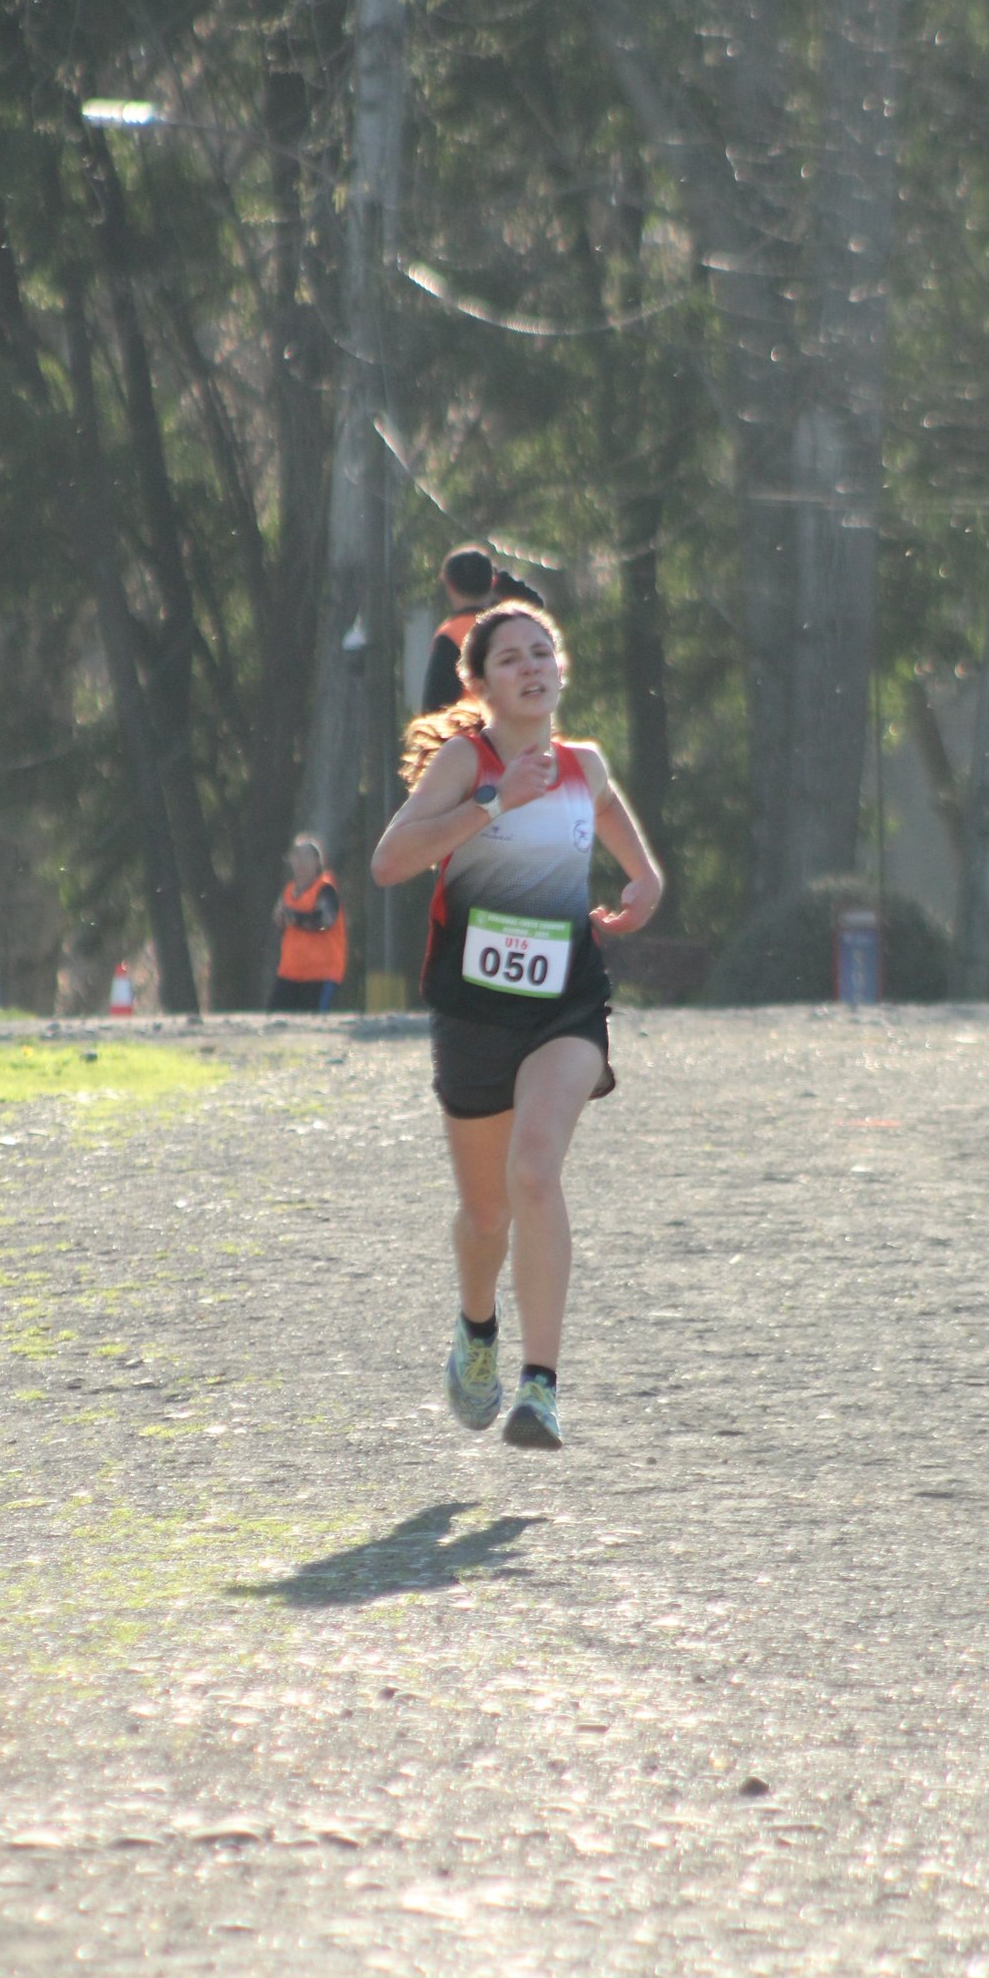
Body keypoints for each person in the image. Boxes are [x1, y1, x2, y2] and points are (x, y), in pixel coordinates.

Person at [371, 603, 663, 1449]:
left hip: (567, 1006)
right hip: (473, 1015)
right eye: (511, 659)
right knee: (486, 1215)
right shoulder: (471, 762)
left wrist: (642, 881)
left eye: (544, 653)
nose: (532, 668)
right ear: (479, 682)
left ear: (561, 669)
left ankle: (540, 1388)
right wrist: (492, 804)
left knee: (536, 1172)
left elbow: (610, 818)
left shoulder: (586, 764)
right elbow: (392, 861)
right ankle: (476, 1331)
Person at [420, 545, 546, 718]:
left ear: (449, 585)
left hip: (473, 734)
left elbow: (435, 707)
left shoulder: (450, 634)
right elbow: (535, 603)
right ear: (493, 582)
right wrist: (500, 577)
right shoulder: (514, 624)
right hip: (517, 729)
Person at [269, 834, 346, 1012]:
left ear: (318, 862)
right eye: (296, 856)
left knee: (311, 1025)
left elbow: (326, 921)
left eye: (306, 857)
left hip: (320, 974)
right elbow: (283, 925)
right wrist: (280, 919)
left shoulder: (325, 889)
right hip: (289, 973)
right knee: (274, 1020)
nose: (300, 862)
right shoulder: (288, 891)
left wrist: (294, 918)